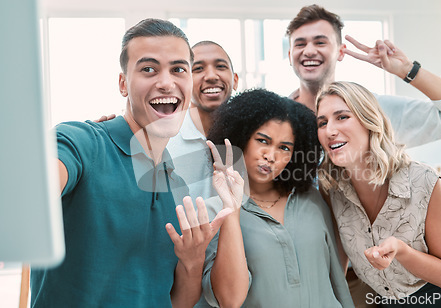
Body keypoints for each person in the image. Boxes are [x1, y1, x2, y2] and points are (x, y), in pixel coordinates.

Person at [30, 19, 233, 308]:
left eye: (178, 69)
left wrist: (194, 258)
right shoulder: (82, 142)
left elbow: (178, 302)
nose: (166, 82)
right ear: (123, 84)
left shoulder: (175, 183)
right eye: (148, 69)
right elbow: (35, 187)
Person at [316, 81, 441, 307]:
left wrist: (402, 251)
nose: (330, 130)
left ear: (369, 121)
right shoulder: (332, 189)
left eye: (342, 117)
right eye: (322, 122)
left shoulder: (425, 182)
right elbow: (339, 261)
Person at [198, 88, 354, 307]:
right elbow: (229, 300)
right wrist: (232, 211)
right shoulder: (214, 212)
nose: (271, 156)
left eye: (284, 147)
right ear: (242, 139)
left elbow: (336, 280)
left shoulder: (312, 198)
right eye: (263, 141)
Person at [287, 4, 441, 148]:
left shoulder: (376, 110)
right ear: (290, 55)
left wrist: (408, 70)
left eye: (320, 42)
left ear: (341, 52)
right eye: (300, 44)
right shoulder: (274, 116)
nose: (310, 51)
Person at [167, 41, 239, 200]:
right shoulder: (164, 138)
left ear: (235, 80)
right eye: (198, 68)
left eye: (221, 66)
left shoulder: (253, 134)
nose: (212, 76)